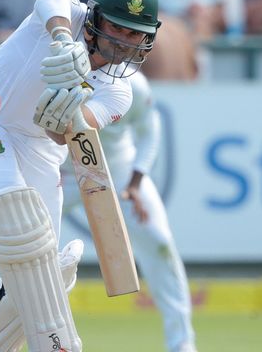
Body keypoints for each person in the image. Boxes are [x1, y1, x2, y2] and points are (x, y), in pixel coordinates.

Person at [0, 0, 161, 352]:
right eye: (116, 28)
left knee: (43, 270)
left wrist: (63, 120)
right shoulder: (68, 15)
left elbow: (68, 137)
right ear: (94, 19)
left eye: (135, 34)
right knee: (19, 227)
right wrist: (61, 39)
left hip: (42, 150)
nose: (125, 42)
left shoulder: (119, 90)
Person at [61, 70, 197, 352]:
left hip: (119, 171)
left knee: (159, 242)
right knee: (21, 246)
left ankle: (182, 342)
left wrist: (136, 183)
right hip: (63, 174)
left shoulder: (133, 84)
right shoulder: (59, 74)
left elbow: (150, 132)